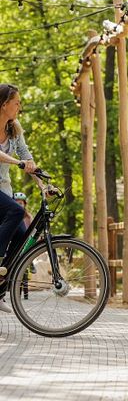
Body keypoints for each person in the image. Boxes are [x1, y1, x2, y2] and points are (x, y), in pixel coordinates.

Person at [0, 84, 37, 313]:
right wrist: (18, 163)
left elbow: (27, 158)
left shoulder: (14, 130)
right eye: (16, 103)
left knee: (23, 238)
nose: (19, 107)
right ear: (4, 104)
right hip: (3, 199)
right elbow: (17, 161)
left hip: (3, 191)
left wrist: (44, 184)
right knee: (17, 211)